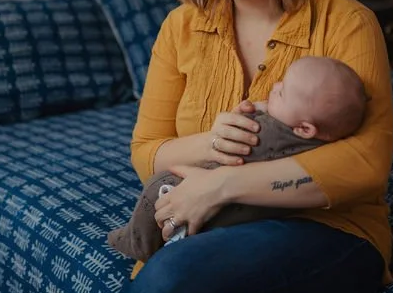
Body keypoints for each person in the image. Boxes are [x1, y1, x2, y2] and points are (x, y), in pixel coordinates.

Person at [99, 0, 393, 293]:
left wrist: (220, 185)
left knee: (171, 281)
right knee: (176, 285)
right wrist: (212, 143)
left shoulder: (346, 22)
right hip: (208, 229)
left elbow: (366, 164)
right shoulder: (180, 28)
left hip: (328, 226)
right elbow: (145, 152)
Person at [107, 55, 368, 262]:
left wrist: (248, 115)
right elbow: (145, 149)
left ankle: (137, 242)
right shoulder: (319, 141)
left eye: (282, 92)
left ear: (304, 128)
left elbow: (249, 140)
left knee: (159, 184)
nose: (275, 86)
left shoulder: (263, 130)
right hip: (266, 217)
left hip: (226, 208)